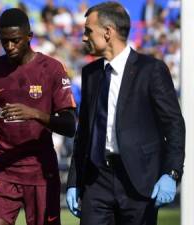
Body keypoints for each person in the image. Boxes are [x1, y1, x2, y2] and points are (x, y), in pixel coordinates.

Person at [66, 2, 185, 225]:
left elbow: (174, 125)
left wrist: (171, 173)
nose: (83, 37)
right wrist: (73, 181)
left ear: (108, 32)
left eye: (88, 30)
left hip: (139, 181)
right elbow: (83, 133)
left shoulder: (151, 70)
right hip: (96, 181)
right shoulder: (90, 73)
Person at [0, 8, 77, 225]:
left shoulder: (51, 69)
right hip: (3, 167)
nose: (9, 46)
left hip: (40, 170)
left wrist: (34, 114)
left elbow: (69, 124)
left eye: (15, 40)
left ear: (29, 37)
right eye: (4, 41)